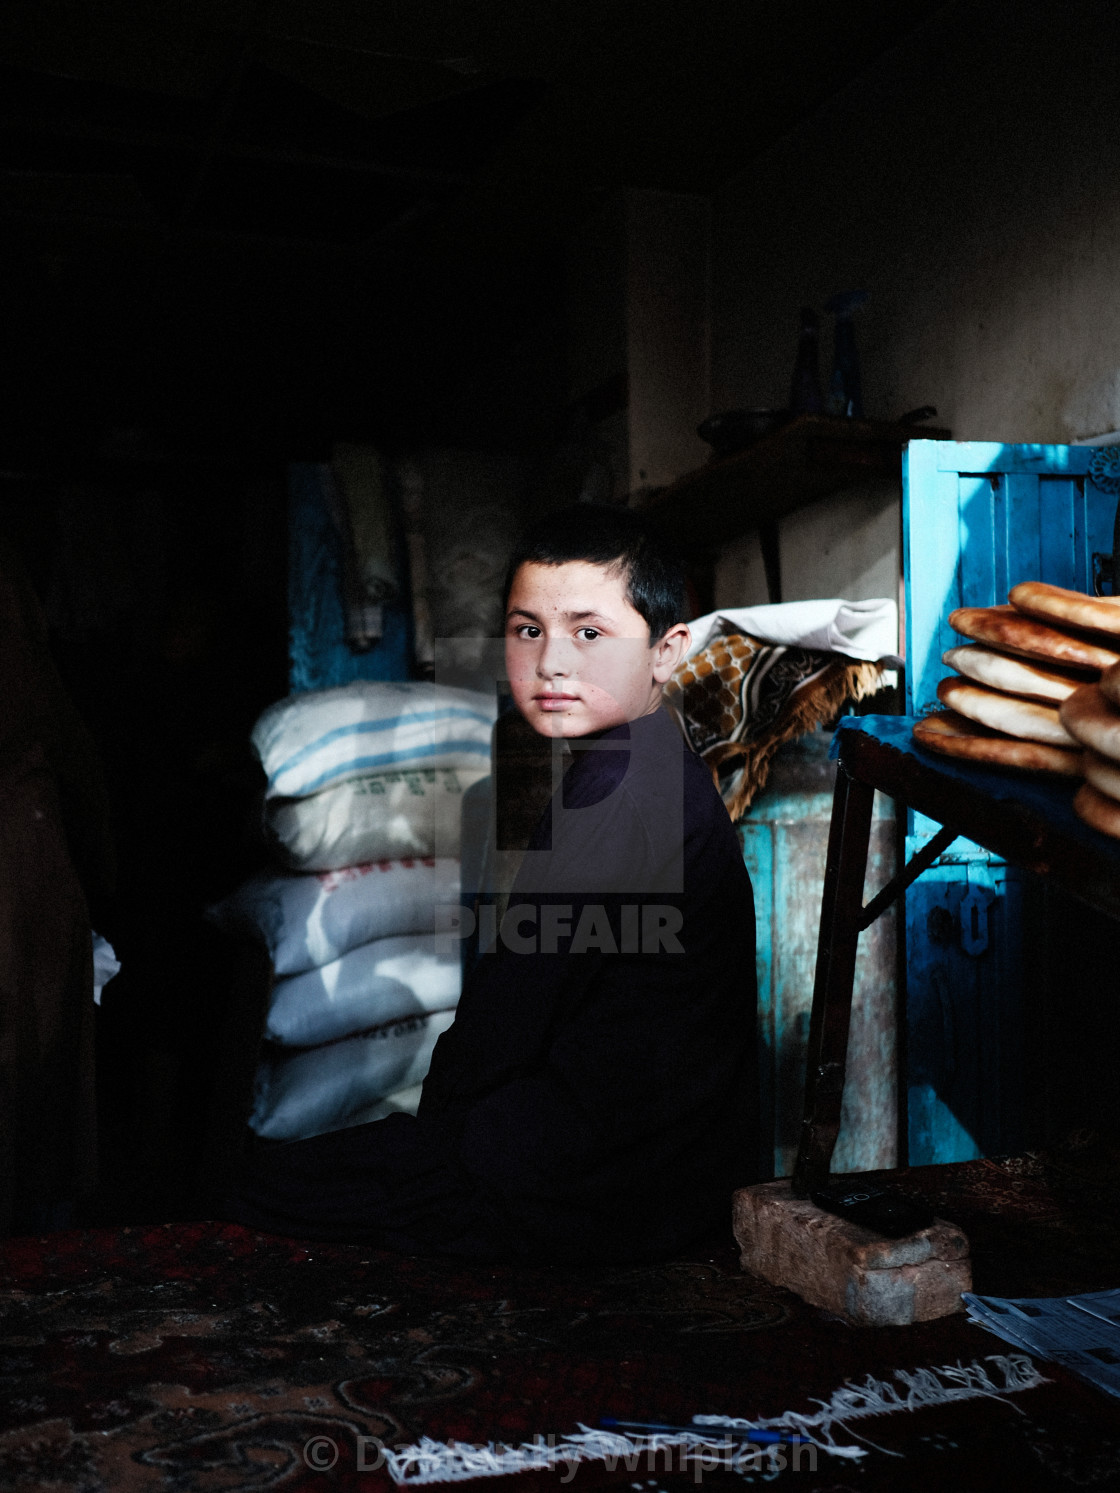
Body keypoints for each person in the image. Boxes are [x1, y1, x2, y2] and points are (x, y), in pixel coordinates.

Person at [222, 505, 757, 1261]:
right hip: (662, 1164)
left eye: (590, 634)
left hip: (599, 1186)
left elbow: (504, 1019)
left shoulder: (614, 796)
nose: (552, 663)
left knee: (261, 1191)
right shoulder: (646, 758)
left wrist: (437, 1144)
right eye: (528, 629)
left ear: (667, 652)